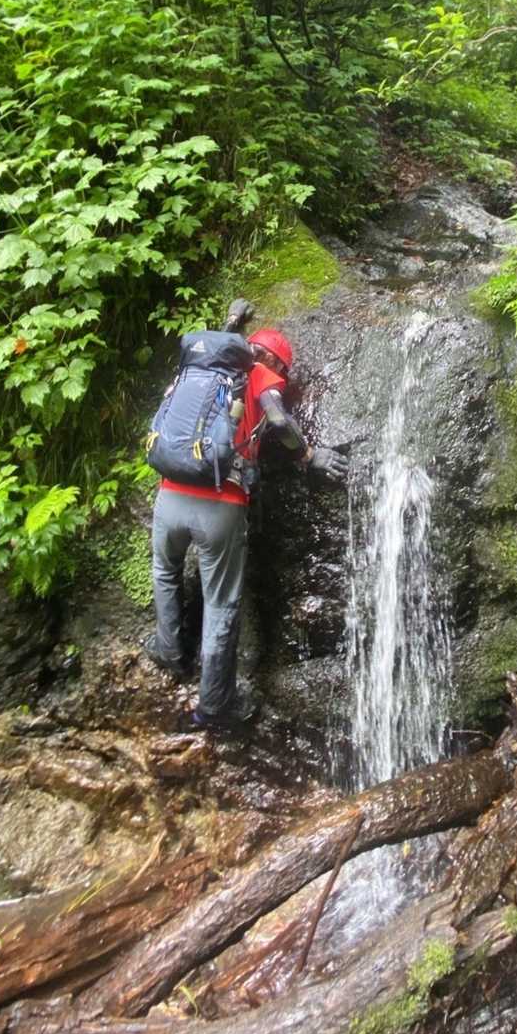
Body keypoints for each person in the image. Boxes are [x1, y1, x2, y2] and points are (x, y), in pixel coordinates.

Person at [145, 299, 348, 729]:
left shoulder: (203, 369)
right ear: (274, 362)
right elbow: (278, 419)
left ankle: (169, 652)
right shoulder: (260, 375)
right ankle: (215, 705)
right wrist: (308, 455)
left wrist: (233, 322)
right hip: (220, 505)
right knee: (220, 602)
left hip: (169, 495)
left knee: (165, 572)